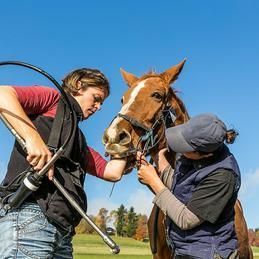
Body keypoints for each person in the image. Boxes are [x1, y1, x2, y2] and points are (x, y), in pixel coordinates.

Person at [0, 68, 127, 258]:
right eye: (97, 98)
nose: (99, 107)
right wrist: (33, 138)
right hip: (30, 216)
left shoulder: (78, 141)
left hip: (64, 233)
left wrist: (126, 141)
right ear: (79, 85)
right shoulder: (53, 99)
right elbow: (3, 93)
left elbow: (112, 172)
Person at [137, 113, 241, 259]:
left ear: (204, 154)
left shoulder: (223, 176)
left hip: (206, 254)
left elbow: (186, 219)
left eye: (184, 147)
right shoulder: (194, 157)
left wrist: (154, 182)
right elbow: (181, 186)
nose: (179, 150)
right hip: (184, 250)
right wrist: (159, 160)